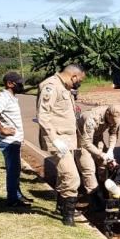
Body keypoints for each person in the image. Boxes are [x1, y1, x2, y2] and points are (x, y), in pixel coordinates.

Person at [37, 64, 86, 226]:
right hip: (58, 140)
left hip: (67, 140)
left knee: (63, 175)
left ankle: (61, 207)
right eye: (79, 80)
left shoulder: (64, 87)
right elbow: (43, 116)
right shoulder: (51, 86)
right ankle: (68, 217)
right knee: (72, 177)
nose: (79, 83)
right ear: (73, 76)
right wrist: (54, 139)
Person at [0, 72, 33, 208]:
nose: (21, 85)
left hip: (13, 142)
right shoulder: (4, 97)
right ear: (10, 84)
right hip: (8, 143)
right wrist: (2, 129)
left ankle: (17, 195)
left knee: (16, 170)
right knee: (13, 172)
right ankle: (13, 200)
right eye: (19, 83)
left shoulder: (11, 97)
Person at [75, 104, 120, 209]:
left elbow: (113, 133)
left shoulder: (114, 117)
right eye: (114, 120)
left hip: (97, 137)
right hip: (82, 140)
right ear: (108, 114)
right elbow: (86, 143)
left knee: (104, 164)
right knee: (88, 168)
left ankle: (104, 190)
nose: (115, 123)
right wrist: (101, 154)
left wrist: (110, 150)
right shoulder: (92, 118)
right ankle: (95, 199)